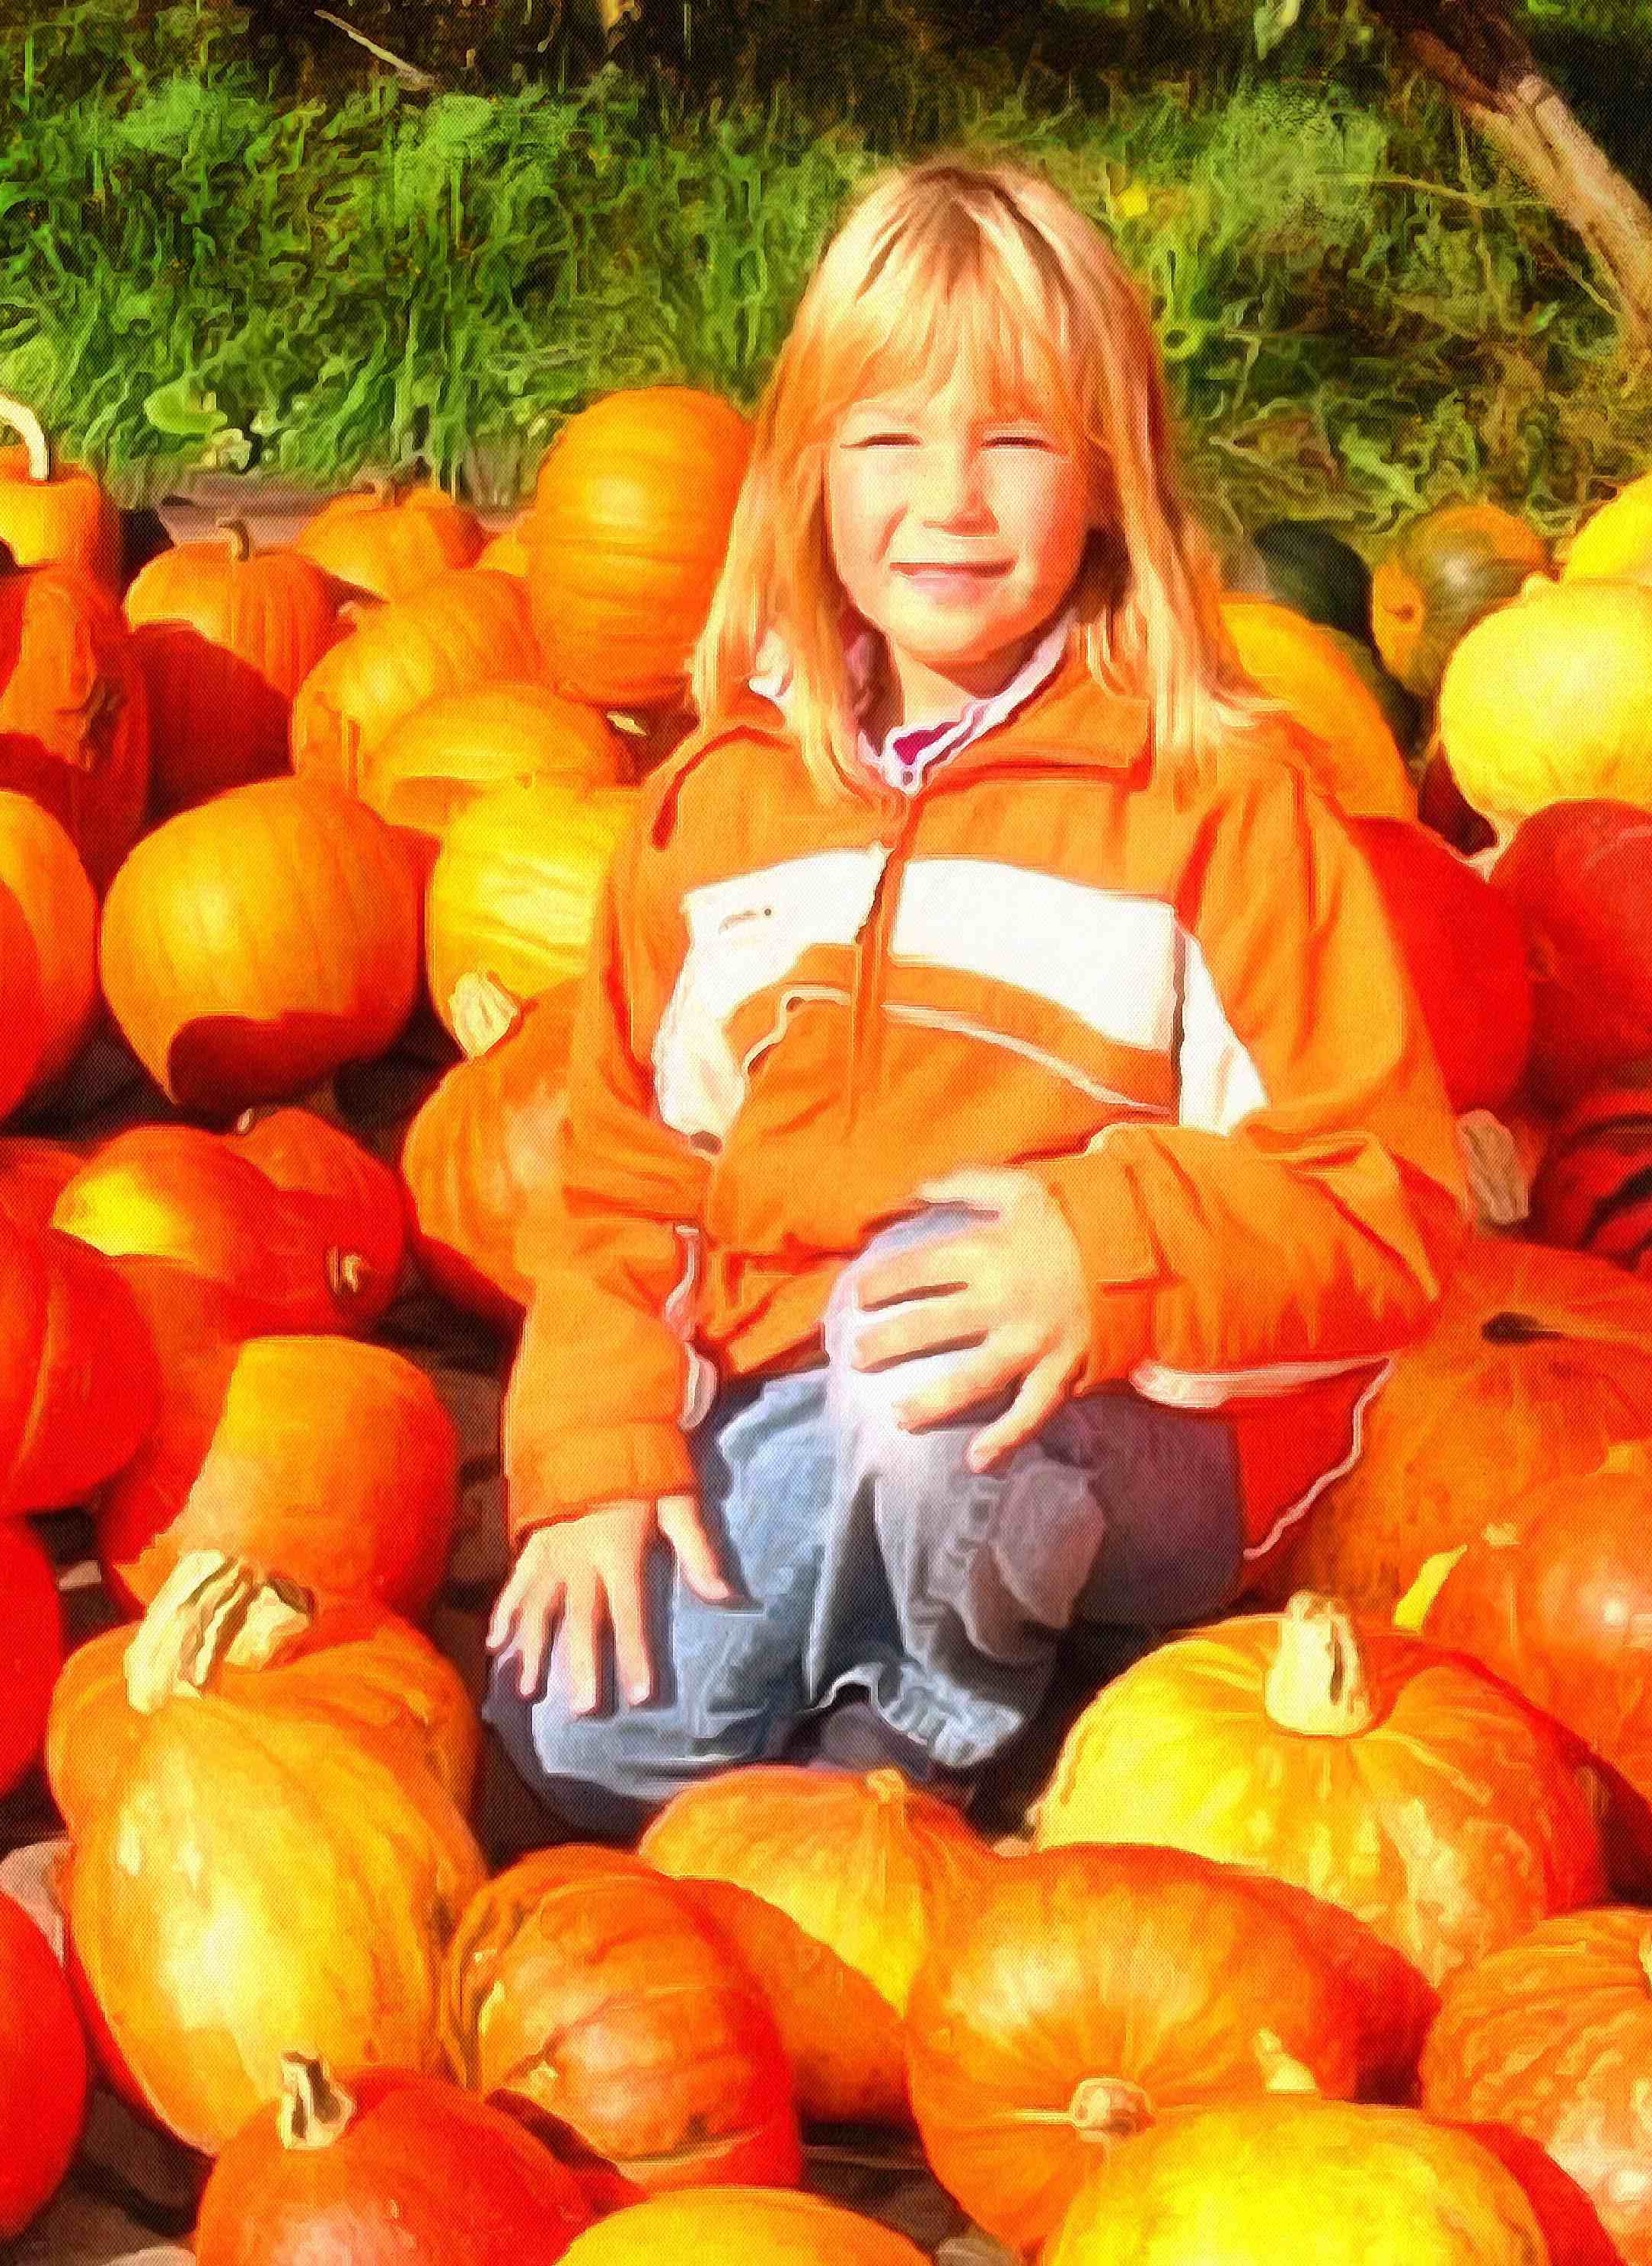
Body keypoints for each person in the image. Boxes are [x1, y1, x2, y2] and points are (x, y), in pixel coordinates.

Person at [482, 152, 1468, 1836]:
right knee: (572, 1726)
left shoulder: (1213, 802)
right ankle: (909, 1691)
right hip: (812, 1396)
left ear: (1108, 480)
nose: (947, 498)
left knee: (918, 1312)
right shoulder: (717, 814)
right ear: (801, 478)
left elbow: (1386, 1207)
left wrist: (1100, 1252)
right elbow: (622, 1194)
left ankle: (912, 1766)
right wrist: (592, 1460)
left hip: (1139, 1419)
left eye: (1012, 441)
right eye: (887, 439)